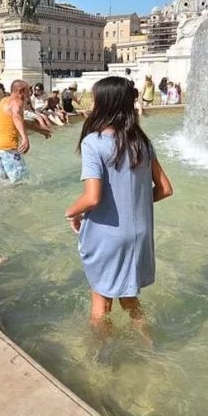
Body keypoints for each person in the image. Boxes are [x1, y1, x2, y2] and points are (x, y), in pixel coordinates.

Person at [64, 76, 173, 332]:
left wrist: (70, 213)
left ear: (104, 104)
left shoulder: (94, 143)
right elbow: (166, 189)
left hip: (108, 236)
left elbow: (92, 197)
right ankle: (149, 347)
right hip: (140, 235)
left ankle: (102, 364)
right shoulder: (143, 143)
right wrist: (135, 203)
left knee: (101, 302)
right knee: (130, 300)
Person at [0, 79, 51, 183]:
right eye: (28, 91)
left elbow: (20, 122)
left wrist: (40, 130)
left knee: (5, 180)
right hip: (7, 148)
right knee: (20, 182)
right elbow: (16, 116)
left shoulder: (4, 100)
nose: (29, 94)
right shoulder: (18, 102)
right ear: (21, 92)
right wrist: (25, 138)